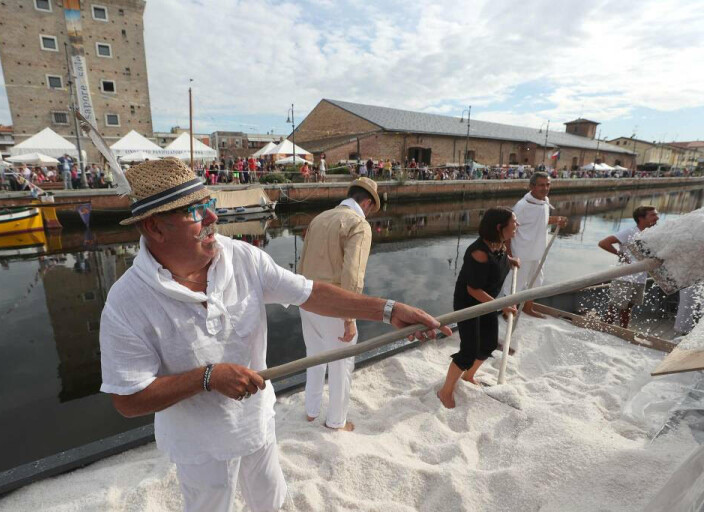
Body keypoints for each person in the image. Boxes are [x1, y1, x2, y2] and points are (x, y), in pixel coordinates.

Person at [98, 158, 449, 512]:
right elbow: (128, 399)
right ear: (155, 227)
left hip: (256, 423)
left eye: (210, 204)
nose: (212, 219)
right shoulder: (127, 302)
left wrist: (388, 310)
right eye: (196, 211)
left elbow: (310, 292)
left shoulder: (243, 258)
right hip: (198, 445)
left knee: (270, 500)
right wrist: (208, 377)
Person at [296, 177, 387, 431]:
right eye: (371, 208)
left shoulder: (320, 218)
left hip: (308, 296)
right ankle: (336, 421)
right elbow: (353, 274)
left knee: (313, 357)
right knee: (341, 364)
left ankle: (312, 412)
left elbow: (301, 262)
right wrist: (349, 317)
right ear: (367, 203)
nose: (369, 213)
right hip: (336, 304)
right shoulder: (358, 224)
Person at [438, 207, 520, 409]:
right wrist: (502, 305)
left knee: (489, 343)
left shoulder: (500, 244)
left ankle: (468, 376)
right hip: (470, 304)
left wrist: (510, 261)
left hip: (488, 301)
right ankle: (445, 391)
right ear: (500, 227)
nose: (516, 225)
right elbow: (473, 289)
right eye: (514, 222)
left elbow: (499, 259)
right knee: (469, 350)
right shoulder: (478, 253)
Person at [503, 172, 567, 323]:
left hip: (539, 252)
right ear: (532, 186)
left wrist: (556, 220)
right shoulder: (522, 206)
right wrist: (509, 254)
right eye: (541, 185)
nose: (545, 188)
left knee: (536, 282)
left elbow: (541, 221)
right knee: (514, 284)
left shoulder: (545, 201)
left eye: (548, 185)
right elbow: (508, 230)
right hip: (522, 252)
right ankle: (507, 311)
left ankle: (528, 307)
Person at [598, 205, 659, 328]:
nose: (657, 217)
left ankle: (623, 332)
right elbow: (603, 243)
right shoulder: (630, 232)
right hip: (624, 278)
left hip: (640, 278)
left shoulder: (652, 234)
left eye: (656, 214)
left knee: (628, 309)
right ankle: (603, 331)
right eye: (653, 215)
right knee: (614, 308)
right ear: (641, 218)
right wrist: (620, 254)